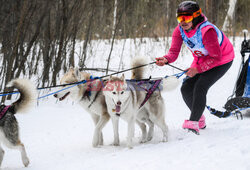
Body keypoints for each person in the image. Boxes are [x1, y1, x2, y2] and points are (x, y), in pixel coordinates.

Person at [155, 1, 235, 134]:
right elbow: (173, 52)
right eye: (180, 18)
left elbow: (216, 57)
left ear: (196, 16)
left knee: (200, 86)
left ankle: (193, 123)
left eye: (186, 17)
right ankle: (199, 118)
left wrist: (197, 69)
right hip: (202, 59)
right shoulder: (179, 30)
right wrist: (166, 59)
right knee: (186, 87)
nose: (182, 21)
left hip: (221, 60)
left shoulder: (206, 31)